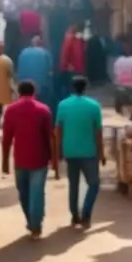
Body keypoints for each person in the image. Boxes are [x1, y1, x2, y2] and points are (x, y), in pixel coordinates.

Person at [2, 80, 55, 239]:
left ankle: (33, 221)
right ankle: (35, 224)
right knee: (37, 193)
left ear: (18, 93)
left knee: (23, 193)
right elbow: (50, 137)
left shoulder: (11, 110)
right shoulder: (44, 110)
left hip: (20, 159)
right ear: (34, 92)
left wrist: (5, 161)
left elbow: (7, 138)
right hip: (40, 159)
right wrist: (54, 159)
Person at [55, 76, 104, 229]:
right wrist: (101, 153)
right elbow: (98, 133)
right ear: (86, 88)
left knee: (73, 185)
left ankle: (75, 216)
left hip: (70, 151)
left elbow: (58, 131)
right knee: (94, 184)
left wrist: (58, 152)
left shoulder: (63, 105)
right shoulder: (94, 106)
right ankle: (86, 214)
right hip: (89, 152)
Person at [17, 35, 56, 118]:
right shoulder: (45, 53)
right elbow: (50, 72)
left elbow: (19, 70)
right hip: (42, 86)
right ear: (40, 43)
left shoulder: (23, 53)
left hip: (25, 86)